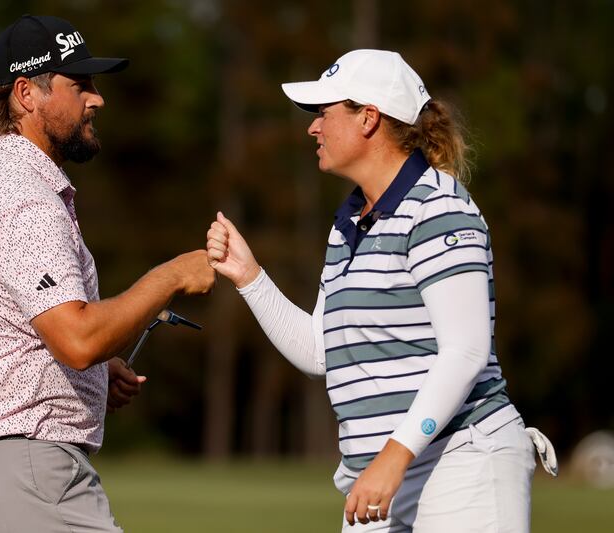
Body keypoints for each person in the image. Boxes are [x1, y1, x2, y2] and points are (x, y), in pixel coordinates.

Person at [206, 49, 555, 532]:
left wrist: (395, 455)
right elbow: (320, 353)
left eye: (323, 113)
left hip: (462, 462)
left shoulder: (439, 210)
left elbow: (466, 350)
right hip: (378, 475)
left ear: (368, 119)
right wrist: (250, 278)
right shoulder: (349, 223)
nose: (313, 128)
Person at [0, 15, 215, 532]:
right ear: (26, 94)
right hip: (24, 477)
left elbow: (24, 330)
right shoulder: (24, 197)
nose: (97, 99)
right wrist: (168, 277)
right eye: (81, 85)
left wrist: (98, 372)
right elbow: (77, 339)